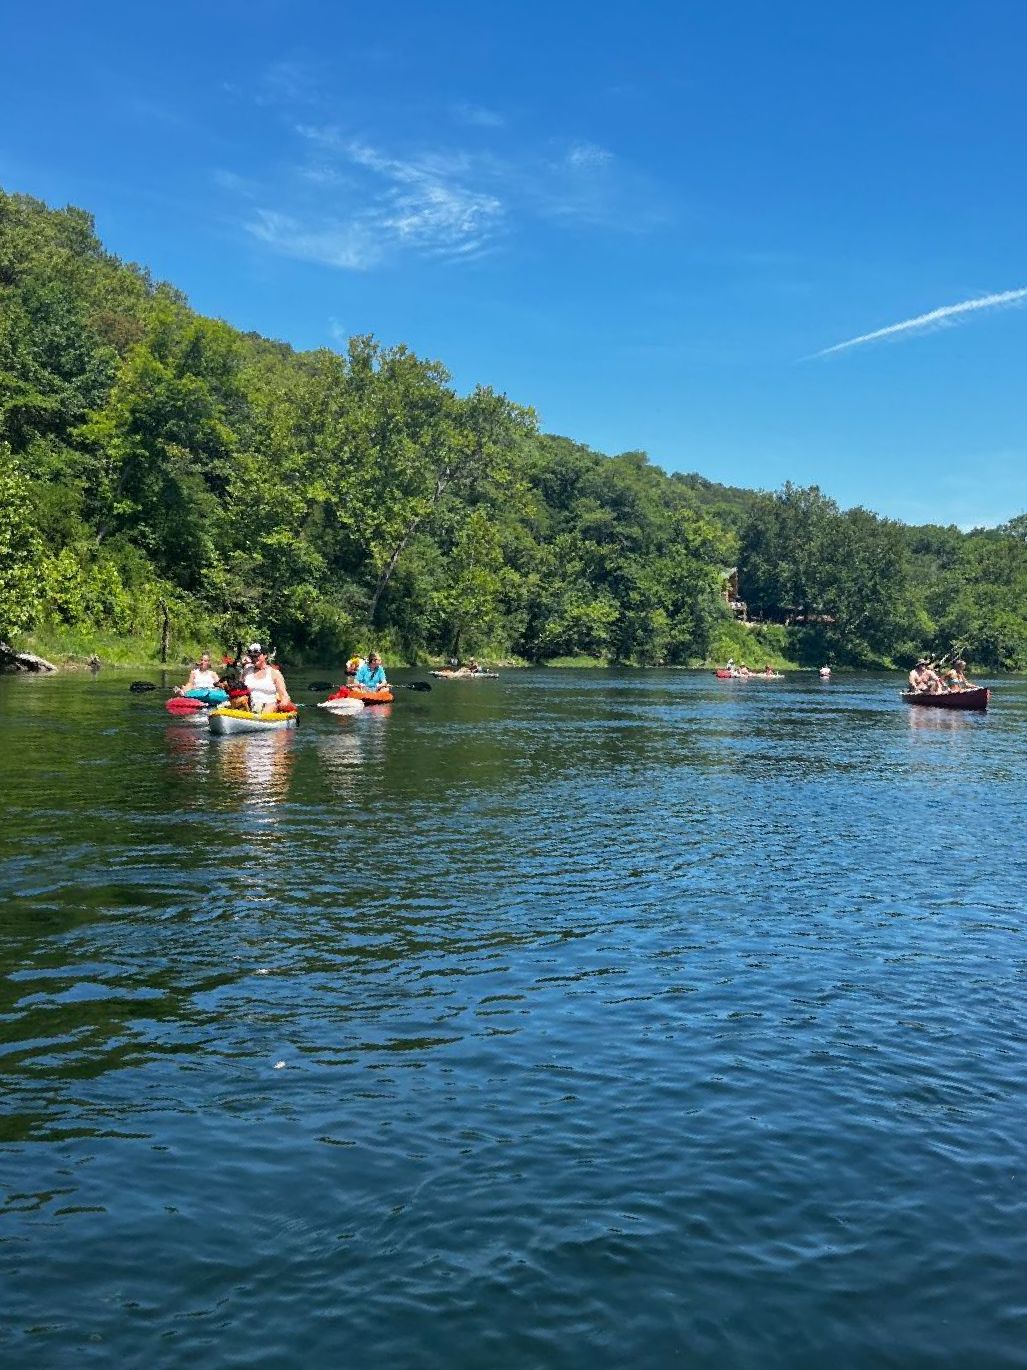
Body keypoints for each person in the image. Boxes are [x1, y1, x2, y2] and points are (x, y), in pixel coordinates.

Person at [243, 642, 292, 714]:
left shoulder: (274, 673)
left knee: (269, 707)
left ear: (265, 655)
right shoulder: (246, 671)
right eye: (252, 656)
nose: (254, 658)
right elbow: (239, 690)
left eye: (256, 656)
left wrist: (284, 702)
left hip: (269, 706)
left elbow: (284, 695)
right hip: (249, 706)